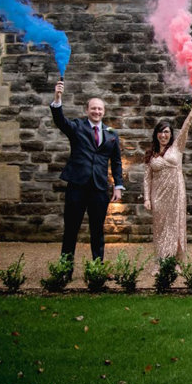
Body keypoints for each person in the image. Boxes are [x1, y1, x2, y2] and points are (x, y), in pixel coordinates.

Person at [50, 80, 124, 263]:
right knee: (71, 229)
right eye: (93, 108)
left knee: (97, 230)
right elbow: (60, 121)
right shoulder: (77, 127)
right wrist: (57, 98)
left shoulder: (112, 134)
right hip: (77, 186)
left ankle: (97, 268)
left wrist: (118, 186)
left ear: (104, 112)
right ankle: (65, 270)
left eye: (100, 109)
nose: (96, 112)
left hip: (99, 188)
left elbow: (116, 162)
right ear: (87, 110)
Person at [143, 98, 192, 263]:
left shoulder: (177, 147)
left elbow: (185, 128)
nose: (163, 135)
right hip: (158, 196)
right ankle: (161, 261)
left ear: (170, 134)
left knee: (175, 227)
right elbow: (147, 178)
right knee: (160, 229)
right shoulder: (150, 153)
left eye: (166, 132)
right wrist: (147, 198)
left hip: (176, 195)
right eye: (160, 132)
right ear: (156, 134)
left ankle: (176, 261)